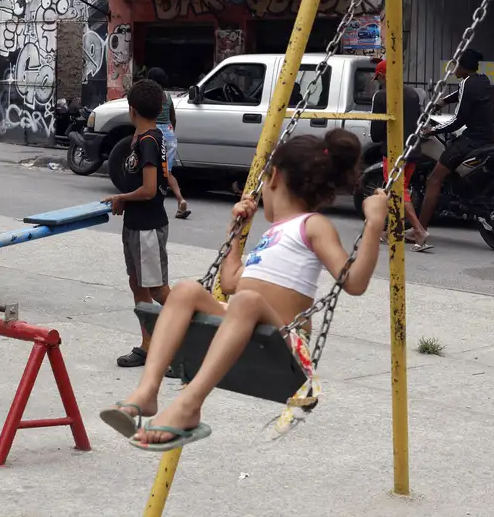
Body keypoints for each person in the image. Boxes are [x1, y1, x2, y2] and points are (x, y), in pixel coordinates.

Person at [100, 129, 386, 451]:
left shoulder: (312, 225)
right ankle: (147, 392)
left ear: (273, 177)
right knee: (186, 290)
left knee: (248, 301)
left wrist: (374, 225)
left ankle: (189, 405)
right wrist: (235, 235)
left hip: (288, 343)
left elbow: (354, 283)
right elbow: (231, 283)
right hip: (248, 323)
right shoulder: (274, 234)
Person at [105, 79, 173, 370]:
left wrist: (121, 197)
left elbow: (148, 189)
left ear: (132, 110)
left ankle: (184, 349)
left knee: (158, 291)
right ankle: (148, 346)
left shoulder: (148, 142)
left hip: (148, 227)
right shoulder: (144, 136)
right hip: (135, 224)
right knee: (138, 286)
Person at [417, 48, 494, 234]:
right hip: (486, 138)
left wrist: (431, 130)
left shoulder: (467, 83)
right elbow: (462, 94)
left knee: (434, 179)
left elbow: (458, 120)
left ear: (464, 67)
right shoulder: (482, 79)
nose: (454, 70)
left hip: (471, 140)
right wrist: (442, 101)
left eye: (457, 65)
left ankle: (419, 229)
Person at [370, 59, 430, 250]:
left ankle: (419, 230)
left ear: (382, 75)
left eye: (378, 77)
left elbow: (376, 132)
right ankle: (390, 232)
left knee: (398, 191)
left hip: (394, 151)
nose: (378, 81)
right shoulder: (413, 93)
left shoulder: (381, 96)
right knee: (397, 191)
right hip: (413, 150)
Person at [145, 67, 190, 220]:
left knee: (151, 169)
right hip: (170, 135)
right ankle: (181, 200)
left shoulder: (149, 97)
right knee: (166, 172)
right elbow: (173, 118)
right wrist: (170, 135)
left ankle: (152, 204)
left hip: (155, 133)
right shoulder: (168, 97)